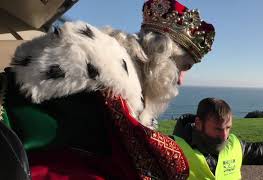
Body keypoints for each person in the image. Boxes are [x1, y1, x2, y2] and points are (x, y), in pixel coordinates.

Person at [0, 0, 215, 179]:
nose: (181, 80)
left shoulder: (130, 84)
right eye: (183, 67)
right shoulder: (103, 74)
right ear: (162, 54)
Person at [172, 97, 263, 179]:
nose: (224, 136)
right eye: (218, 129)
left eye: (228, 128)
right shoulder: (172, 149)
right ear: (198, 123)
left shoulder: (235, 146)